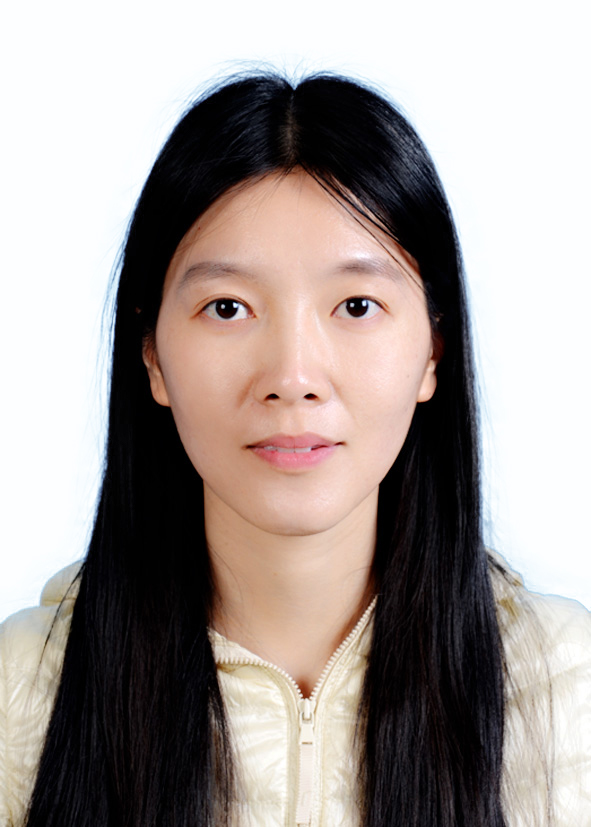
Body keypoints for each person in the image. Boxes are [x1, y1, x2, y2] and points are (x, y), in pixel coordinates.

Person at [0, 73, 589, 827]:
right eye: (227, 307)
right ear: (151, 355)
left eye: (356, 305)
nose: (292, 377)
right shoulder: (24, 693)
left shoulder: (564, 690)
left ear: (433, 351)